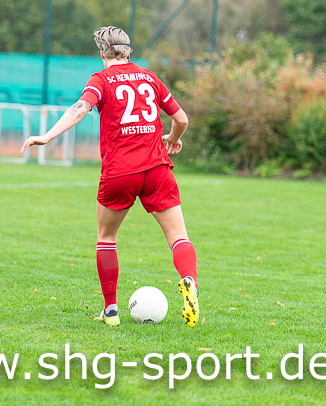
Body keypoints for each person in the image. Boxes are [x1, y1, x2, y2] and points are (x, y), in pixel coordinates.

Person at [21, 26, 199, 327]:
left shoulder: (101, 79)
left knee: (107, 238)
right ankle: (189, 279)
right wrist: (173, 138)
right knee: (178, 237)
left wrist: (47, 136)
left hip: (120, 172)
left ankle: (111, 310)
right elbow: (181, 118)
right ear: (128, 51)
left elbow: (80, 109)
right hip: (157, 168)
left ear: (102, 52)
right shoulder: (149, 77)